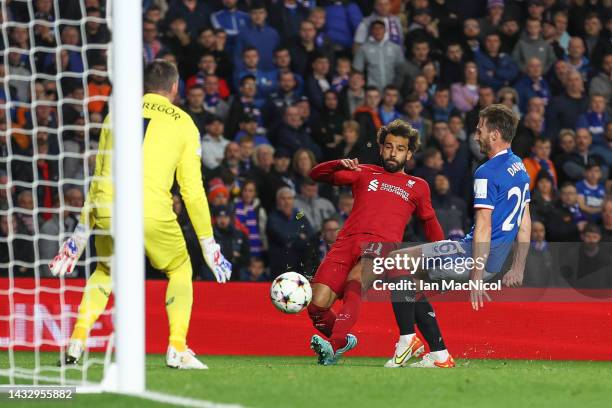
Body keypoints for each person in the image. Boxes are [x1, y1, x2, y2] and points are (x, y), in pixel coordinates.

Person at [50, 60, 232, 369]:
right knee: (179, 269)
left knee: (106, 272)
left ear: (145, 86)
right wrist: (208, 243)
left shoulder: (115, 114)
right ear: (175, 88)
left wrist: (78, 236)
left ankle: (77, 340)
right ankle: (177, 347)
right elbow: (191, 190)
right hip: (151, 212)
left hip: (108, 208)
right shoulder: (185, 123)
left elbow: (97, 176)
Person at [386, 104, 531, 367]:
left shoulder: (487, 172)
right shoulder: (518, 166)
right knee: (412, 285)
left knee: (396, 263)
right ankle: (439, 355)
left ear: (495, 134)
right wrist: (518, 266)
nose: (476, 135)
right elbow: (525, 221)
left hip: (472, 256)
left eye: (480, 130)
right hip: (482, 257)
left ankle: (408, 342)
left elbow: (484, 224)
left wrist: (476, 275)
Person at [307, 120, 445, 366]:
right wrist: (339, 162)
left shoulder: (418, 186)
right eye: (389, 146)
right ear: (381, 148)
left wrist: (444, 254)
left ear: (409, 153)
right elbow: (315, 174)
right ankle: (342, 340)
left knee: (355, 282)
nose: (393, 153)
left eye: (400, 148)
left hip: (382, 246)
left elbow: (430, 222)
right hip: (345, 243)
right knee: (316, 306)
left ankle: (334, 345)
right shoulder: (363, 172)